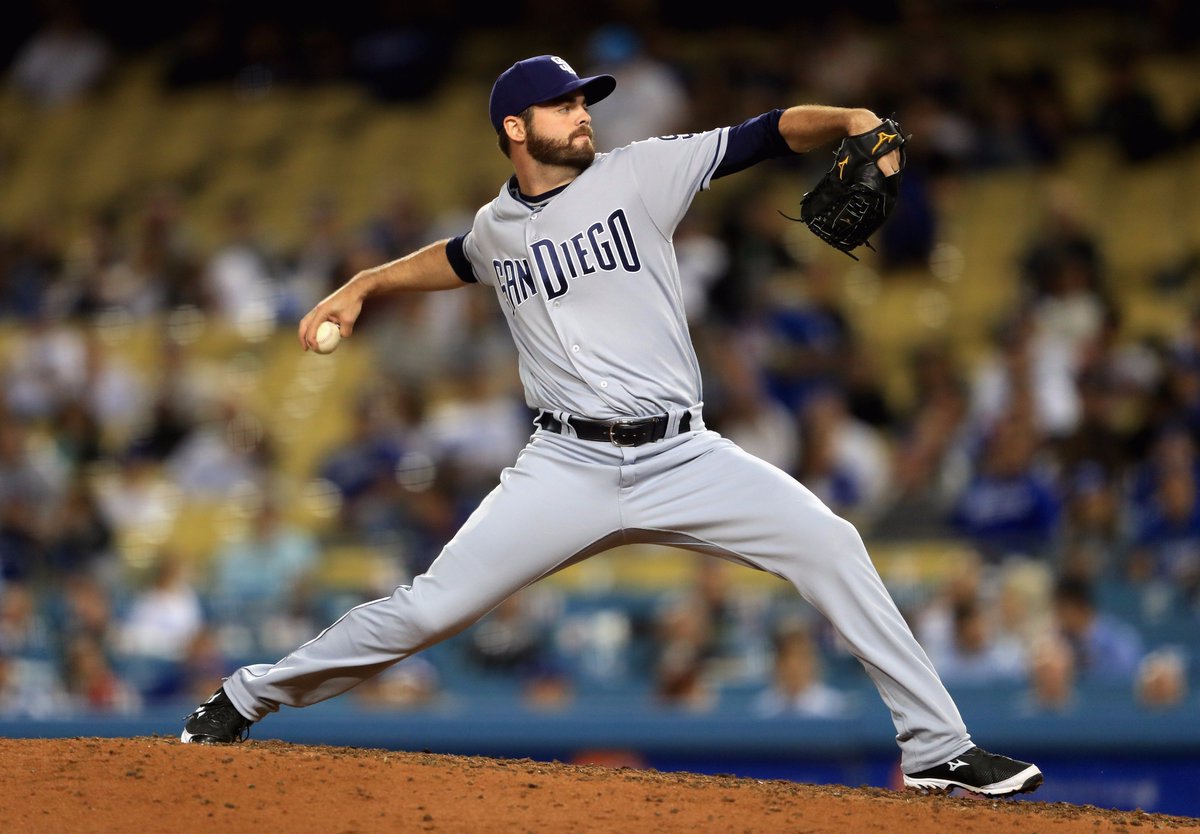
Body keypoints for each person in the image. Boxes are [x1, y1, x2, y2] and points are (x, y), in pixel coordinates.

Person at [180, 54, 1043, 798]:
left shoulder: (641, 173)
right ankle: (245, 698)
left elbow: (767, 133)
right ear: (516, 128)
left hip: (684, 455)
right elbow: (455, 259)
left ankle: (937, 750)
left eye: (584, 101)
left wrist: (851, 119)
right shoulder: (496, 227)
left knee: (831, 543)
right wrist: (364, 283)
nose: (583, 113)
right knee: (427, 609)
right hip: (566, 466)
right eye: (564, 105)